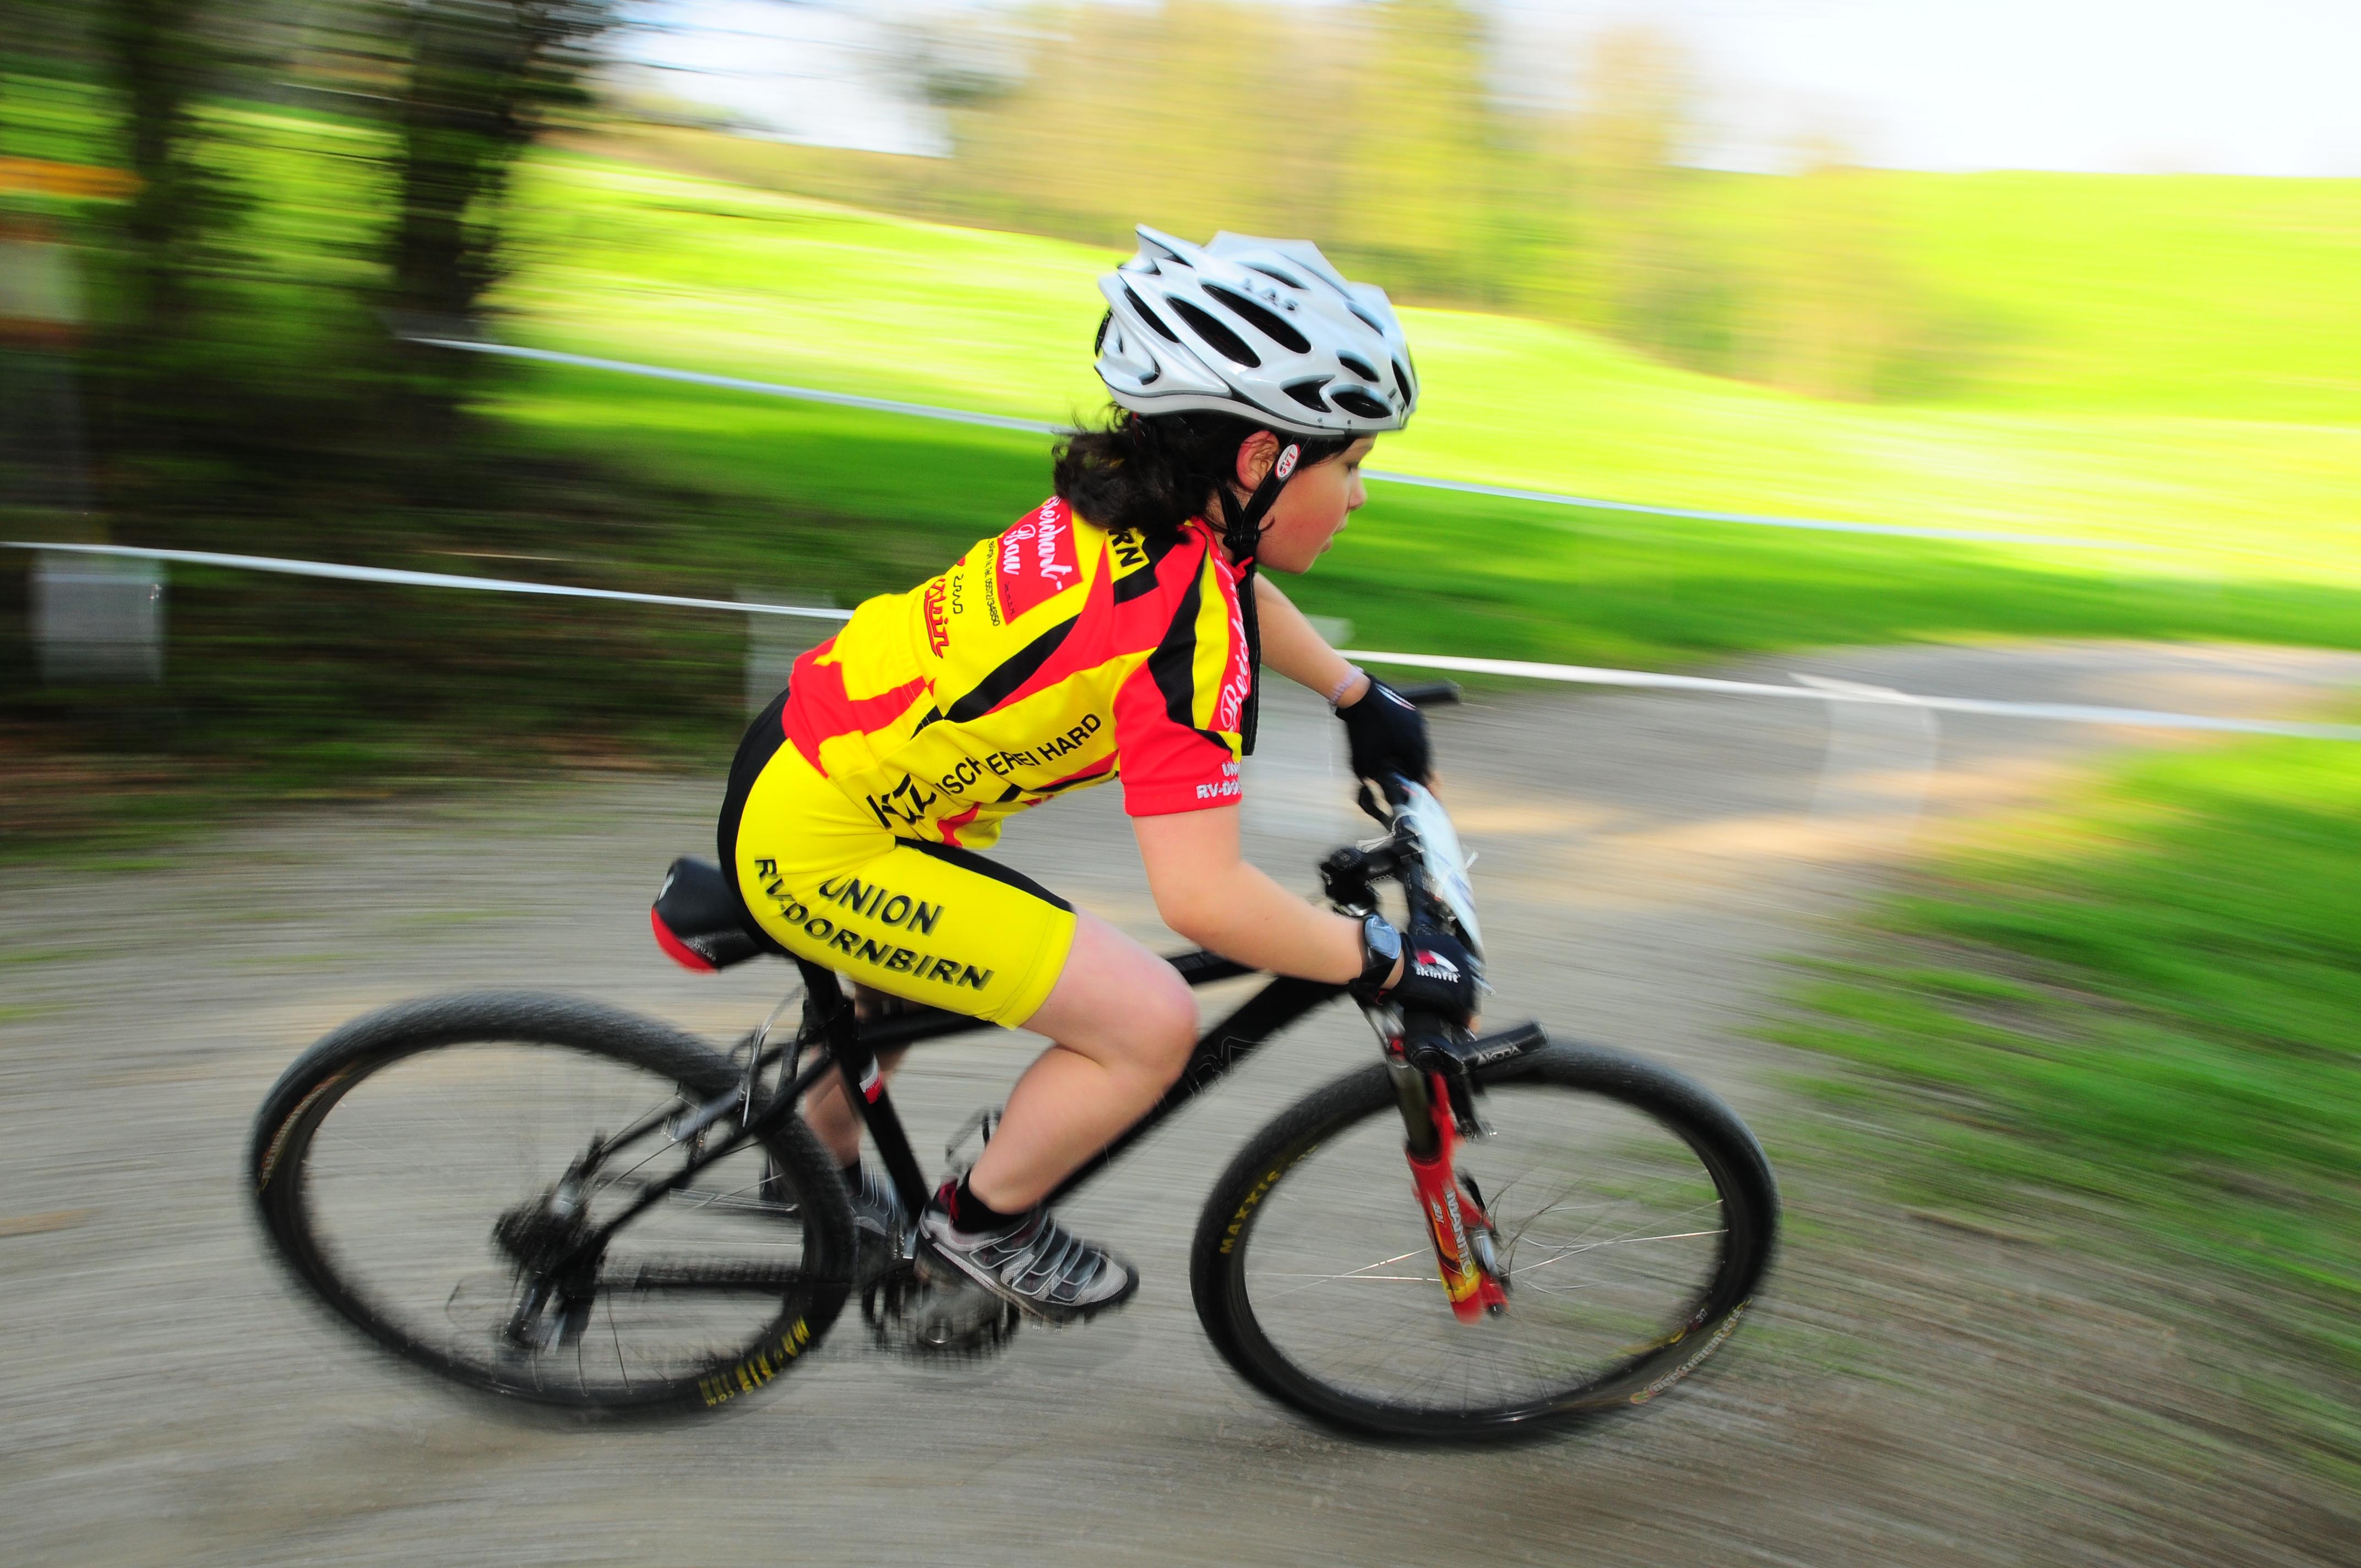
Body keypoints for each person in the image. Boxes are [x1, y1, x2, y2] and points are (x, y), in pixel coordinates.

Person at [719, 226, 1478, 1321]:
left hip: (816, 757)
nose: (1358, 493)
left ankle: (811, 1166)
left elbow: (1228, 579)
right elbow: (1203, 897)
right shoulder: (1179, 637)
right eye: (1350, 463)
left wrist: (1357, 695)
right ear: (1260, 461)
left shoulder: (1139, 494)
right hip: (827, 839)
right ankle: (979, 1224)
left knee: (898, 992)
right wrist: (1384, 960)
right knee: (1148, 1023)